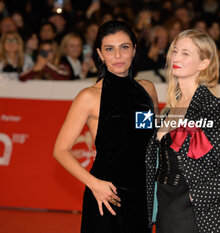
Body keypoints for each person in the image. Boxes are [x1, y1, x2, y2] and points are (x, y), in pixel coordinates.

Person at [53, 20, 158, 233]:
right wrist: (94, 184)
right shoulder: (89, 97)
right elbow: (60, 150)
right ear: (100, 54)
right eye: (110, 49)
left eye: (124, 47)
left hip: (142, 194)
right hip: (106, 194)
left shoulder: (147, 90)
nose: (118, 56)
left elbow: (149, 138)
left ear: (134, 50)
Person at [146, 29, 220, 233]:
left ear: (203, 64)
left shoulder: (210, 107)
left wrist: (193, 196)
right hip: (163, 202)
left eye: (185, 53)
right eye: (175, 51)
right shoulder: (170, 107)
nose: (176, 58)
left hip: (193, 210)